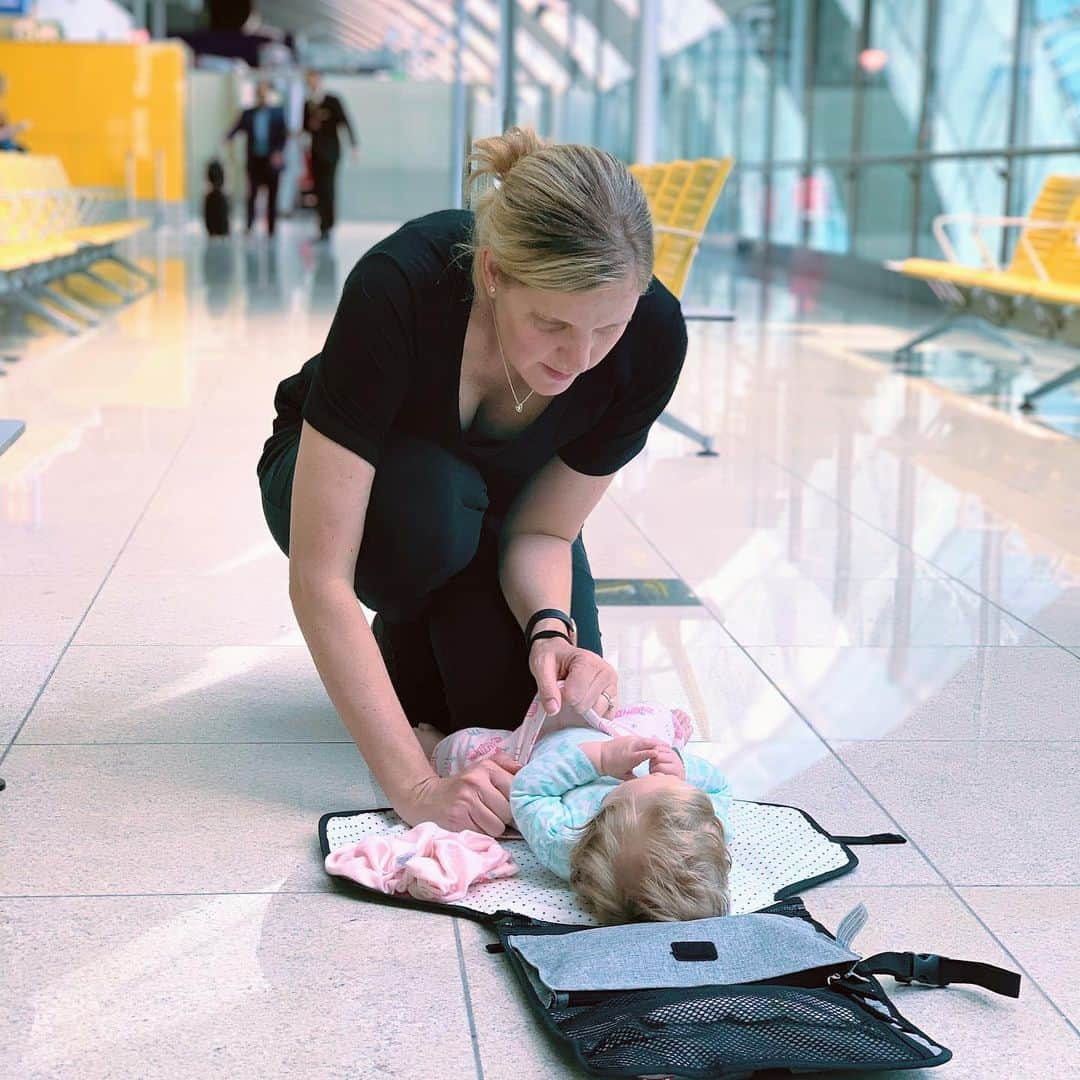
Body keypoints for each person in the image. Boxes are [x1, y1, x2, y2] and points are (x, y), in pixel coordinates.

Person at [256, 127, 687, 838]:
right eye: (551, 323)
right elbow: (320, 579)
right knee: (426, 511)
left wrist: (551, 629)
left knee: (526, 727)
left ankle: (412, 655)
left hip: (500, 515)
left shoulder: (652, 338)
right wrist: (417, 787)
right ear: (492, 273)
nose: (579, 358)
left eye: (605, 328)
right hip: (365, 492)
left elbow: (545, 528)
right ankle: (409, 622)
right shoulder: (400, 286)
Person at [428, 700, 731, 923]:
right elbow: (719, 787)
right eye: (670, 783)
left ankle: (426, 741)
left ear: (604, 812)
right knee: (654, 729)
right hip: (620, 737)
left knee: (459, 749)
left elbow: (527, 791)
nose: (654, 774)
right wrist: (679, 767)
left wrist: (598, 759)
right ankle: (668, 736)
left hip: (545, 746)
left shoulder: (565, 844)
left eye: (653, 779)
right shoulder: (704, 831)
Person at [225, 80, 288, 236]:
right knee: (252, 194)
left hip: (271, 160)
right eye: (259, 92)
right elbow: (235, 129)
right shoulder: (248, 113)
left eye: (264, 92)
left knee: (272, 195)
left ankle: (271, 229)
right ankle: (250, 225)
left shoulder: (278, 113)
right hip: (254, 160)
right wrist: (227, 138)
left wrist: (279, 152)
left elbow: (283, 136)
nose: (261, 95)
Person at [302, 70, 357, 241]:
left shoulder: (332, 100)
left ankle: (328, 225)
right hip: (315, 153)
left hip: (331, 152)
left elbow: (345, 122)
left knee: (328, 188)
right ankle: (322, 225)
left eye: (313, 79)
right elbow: (305, 127)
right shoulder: (307, 104)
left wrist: (354, 145)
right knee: (319, 189)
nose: (311, 83)